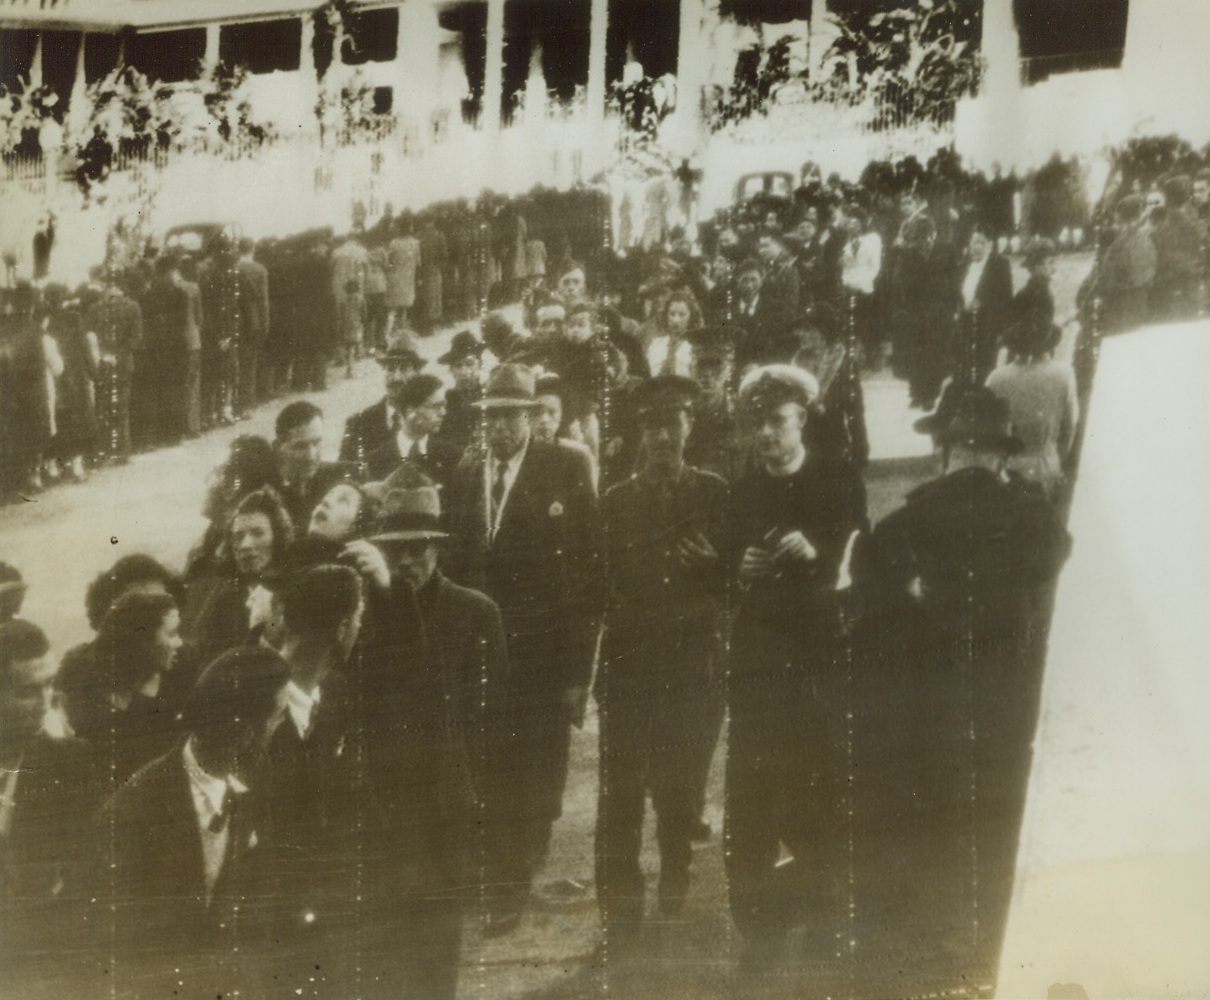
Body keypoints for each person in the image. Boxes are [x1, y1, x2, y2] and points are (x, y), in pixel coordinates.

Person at [865, 386, 1070, 984]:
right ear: (1001, 456)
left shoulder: (904, 521)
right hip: (1012, 701)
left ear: (947, 449)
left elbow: (873, 624)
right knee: (1000, 817)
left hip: (927, 706)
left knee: (933, 815)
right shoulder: (1040, 521)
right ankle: (992, 950)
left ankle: (933, 953)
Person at [446, 363, 601, 933]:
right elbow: (458, 566)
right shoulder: (468, 477)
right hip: (482, 656)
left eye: (512, 415)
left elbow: (587, 578)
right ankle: (504, 874)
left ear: (535, 416)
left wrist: (578, 673)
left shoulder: (564, 469)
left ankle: (513, 880)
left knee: (533, 769)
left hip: (543, 656)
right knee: (490, 767)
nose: (501, 427)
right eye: (492, 416)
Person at [723, 364, 866, 970]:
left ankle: (824, 925)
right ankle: (758, 939)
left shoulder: (838, 482)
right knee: (749, 808)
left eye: (778, 421)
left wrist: (823, 552)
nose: (768, 435)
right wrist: (740, 569)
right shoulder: (740, 491)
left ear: (802, 420)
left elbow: (864, 564)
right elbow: (720, 562)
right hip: (756, 672)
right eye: (758, 424)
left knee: (820, 800)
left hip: (817, 668)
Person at [359, 483, 510, 993]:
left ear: (438, 548)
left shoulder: (476, 612)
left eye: (417, 548)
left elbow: (493, 724)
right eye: (394, 549)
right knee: (385, 944)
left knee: (440, 941)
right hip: (384, 800)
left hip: (448, 800)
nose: (406, 561)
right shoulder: (365, 616)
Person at [595, 376, 728, 949]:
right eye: (650, 429)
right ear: (638, 435)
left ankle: (676, 871)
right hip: (629, 668)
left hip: (694, 669)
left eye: (671, 427)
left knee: (680, 787)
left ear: (688, 429)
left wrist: (715, 566)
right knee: (621, 789)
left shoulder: (716, 493)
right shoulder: (615, 501)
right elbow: (596, 583)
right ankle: (620, 904)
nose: (660, 440)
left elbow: (738, 582)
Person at [95, 645, 291, 999]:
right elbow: (119, 952)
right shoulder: (132, 811)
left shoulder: (258, 778)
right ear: (245, 734)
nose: (283, 722)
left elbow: (258, 918)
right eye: (278, 714)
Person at [258, 564, 369, 997]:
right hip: (268, 925)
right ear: (343, 626)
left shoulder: (335, 693)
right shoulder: (255, 705)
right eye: (358, 617)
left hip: (325, 911)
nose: (359, 627)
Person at [1, 620, 99, 990]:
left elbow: (81, 893)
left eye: (49, 685)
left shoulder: (71, 764)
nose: (45, 704)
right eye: (29, 691)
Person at [64, 590, 186, 787]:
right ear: (142, 641)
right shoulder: (88, 698)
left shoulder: (179, 678)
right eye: (171, 634)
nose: (179, 643)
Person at [187, 486, 295, 667]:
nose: (245, 545)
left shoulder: (295, 589)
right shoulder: (223, 600)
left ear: (277, 537)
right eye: (238, 537)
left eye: (258, 533)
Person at [986, 315, 1079, 500]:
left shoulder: (996, 377)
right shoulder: (1063, 374)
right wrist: (1057, 460)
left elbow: (989, 429)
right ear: (1050, 344)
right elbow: (1070, 426)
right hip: (1045, 464)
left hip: (1005, 467)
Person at [338, 344, 425, 471]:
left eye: (404, 369)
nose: (396, 378)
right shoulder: (358, 423)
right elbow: (344, 473)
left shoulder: (430, 420)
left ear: (417, 374)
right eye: (390, 369)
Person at [362, 372, 459, 485]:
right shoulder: (374, 461)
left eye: (444, 406)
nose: (443, 413)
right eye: (435, 406)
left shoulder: (452, 457)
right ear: (410, 411)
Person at [274, 400, 353, 534]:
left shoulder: (339, 478)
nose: (311, 456)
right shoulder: (266, 487)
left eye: (316, 443)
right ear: (280, 447)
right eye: (300, 446)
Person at [956, 227, 1014, 385]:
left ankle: (983, 398)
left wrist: (983, 305)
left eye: (981, 242)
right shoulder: (962, 266)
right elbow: (955, 294)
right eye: (974, 242)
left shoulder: (999, 265)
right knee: (965, 364)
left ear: (990, 245)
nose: (976, 247)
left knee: (986, 365)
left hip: (989, 324)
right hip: (965, 323)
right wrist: (962, 307)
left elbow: (1006, 297)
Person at [435, 329, 486, 455]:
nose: (464, 371)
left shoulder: (489, 395)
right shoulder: (445, 404)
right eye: (458, 366)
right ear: (451, 370)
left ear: (479, 365)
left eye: (469, 364)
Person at [236, 238, 270, 416]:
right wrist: (266, 323)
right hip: (254, 320)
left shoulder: (233, 268)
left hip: (236, 319)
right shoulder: (259, 269)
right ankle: (247, 405)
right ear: (253, 249)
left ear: (238, 249)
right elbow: (264, 300)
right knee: (250, 362)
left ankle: (234, 404)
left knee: (236, 362)